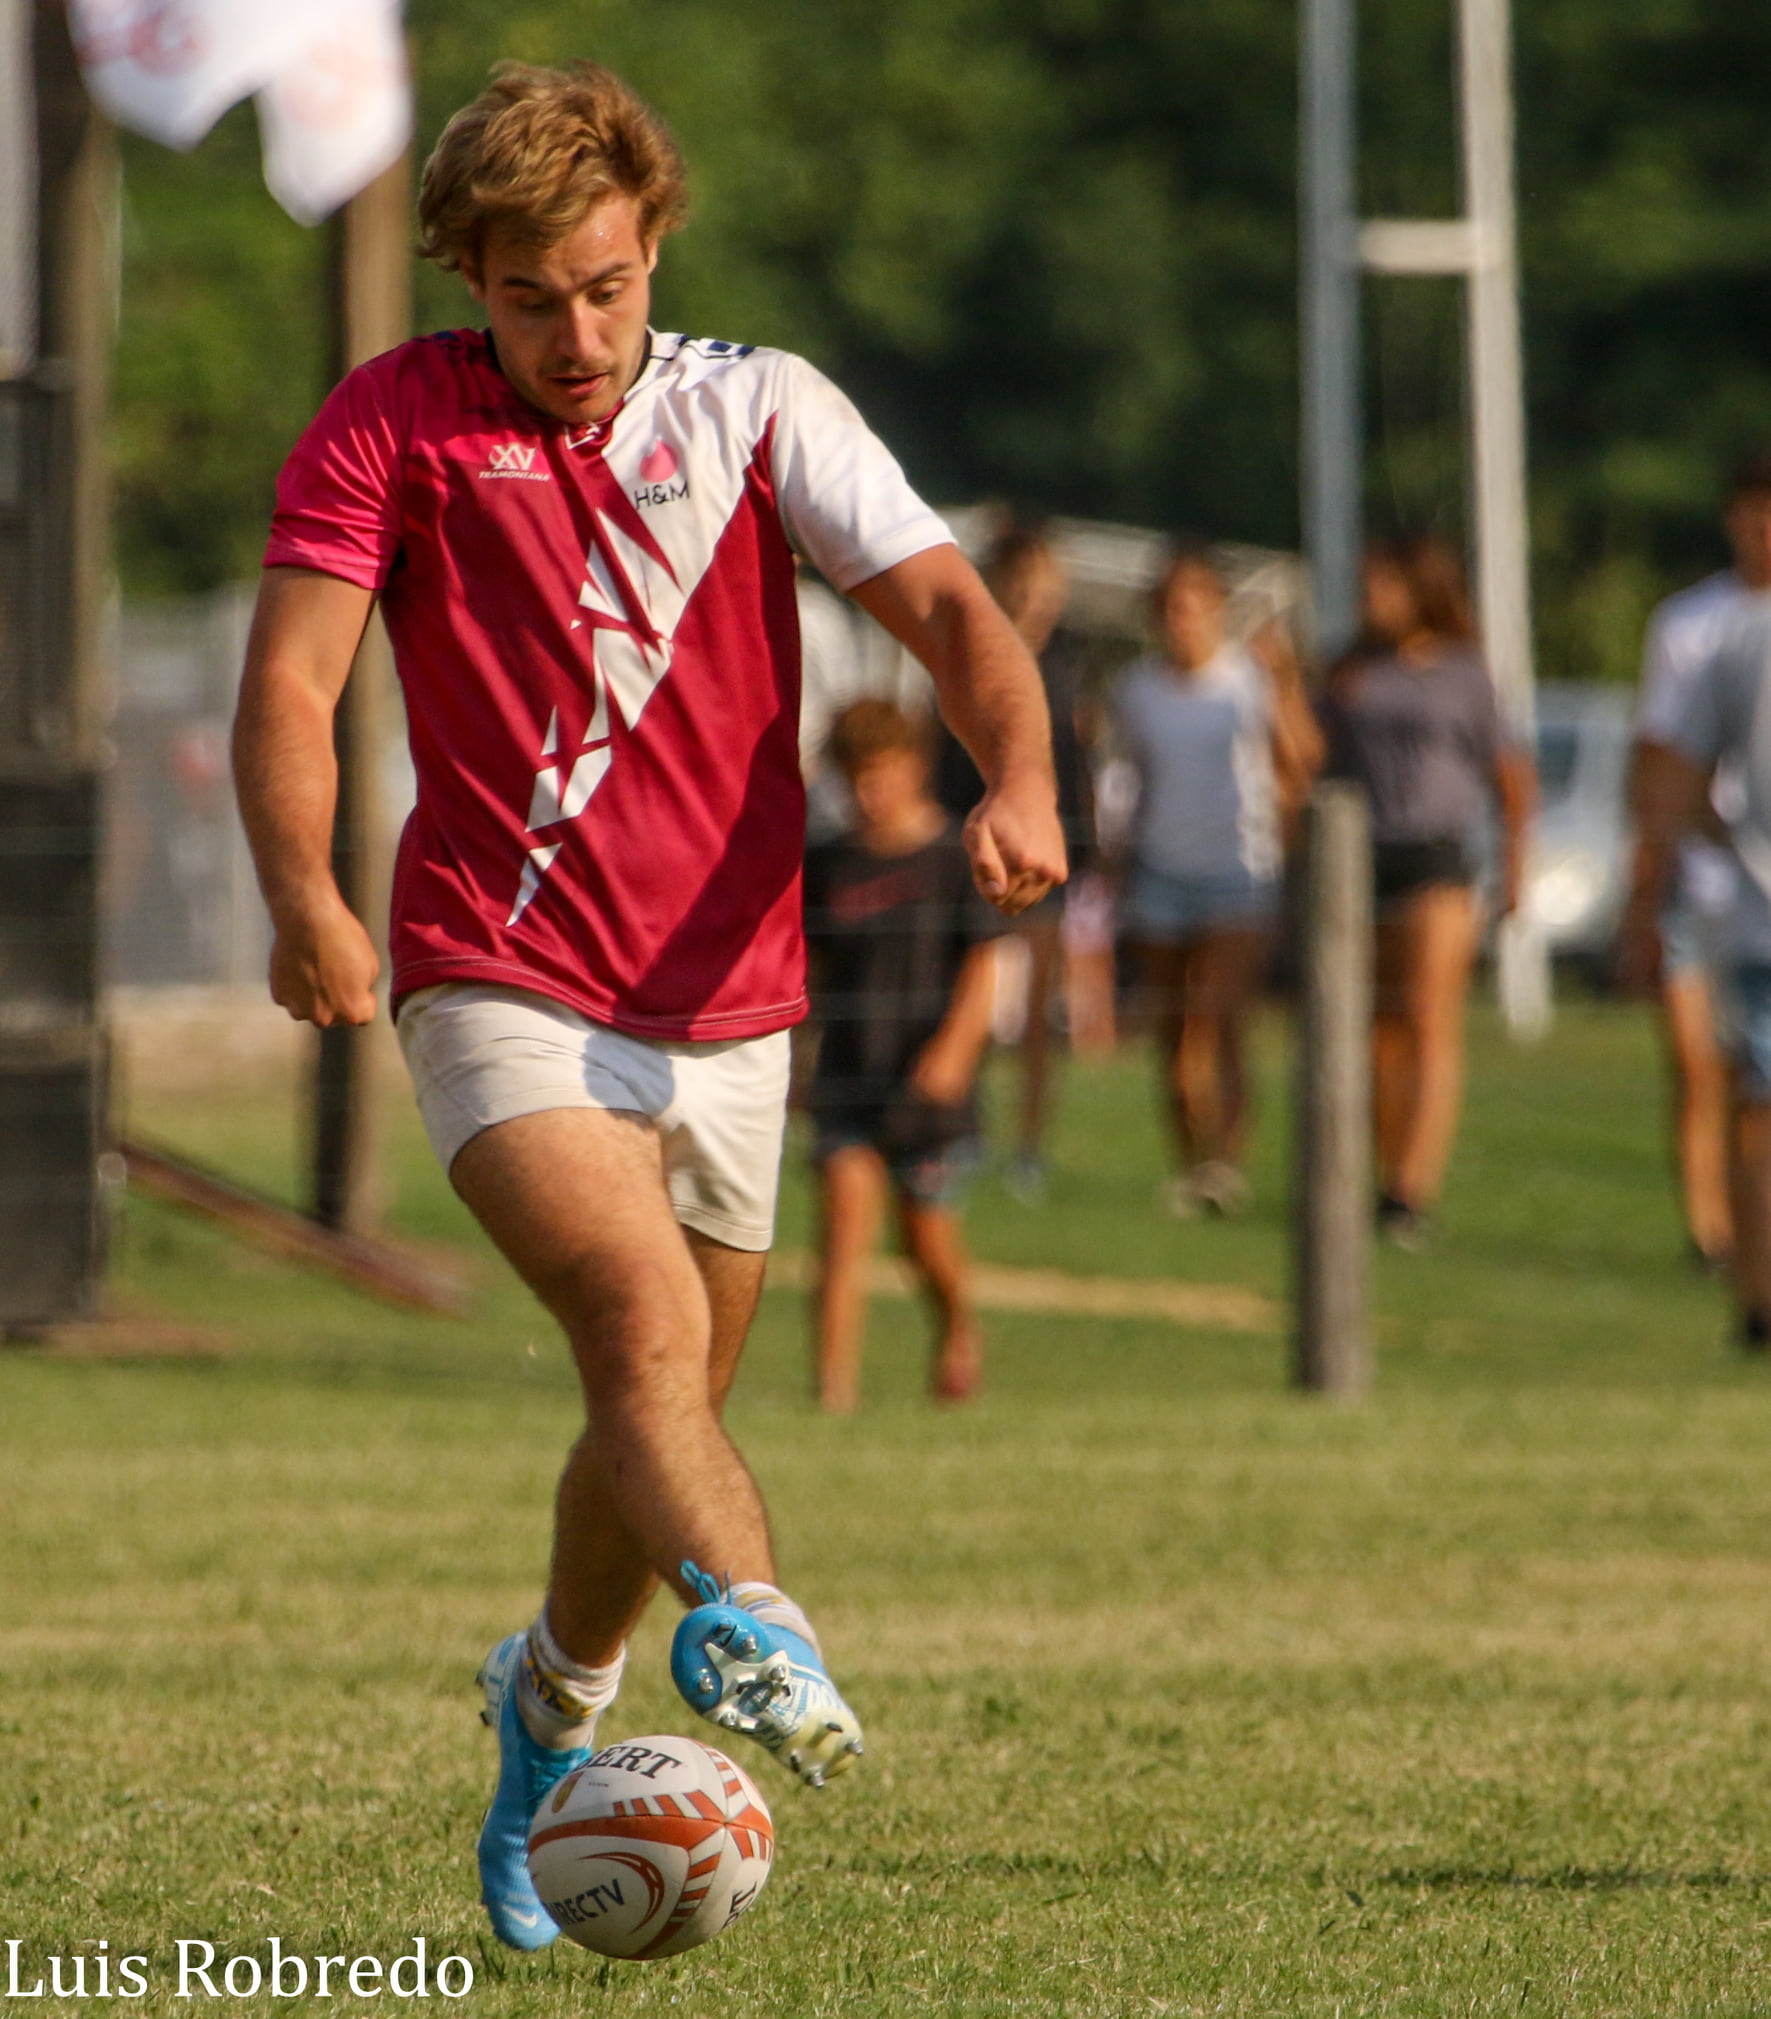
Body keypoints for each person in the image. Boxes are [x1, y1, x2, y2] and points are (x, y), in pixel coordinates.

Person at [230, 61, 1065, 1954]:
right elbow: (294, 687)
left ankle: (548, 1707)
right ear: (470, 279)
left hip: (732, 1001)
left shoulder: (758, 405)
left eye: (605, 286)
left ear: (654, 242)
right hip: (497, 970)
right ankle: (762, 1628)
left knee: (660, 1394)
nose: (576, 333)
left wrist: (1014, 774)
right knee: (635, 1313)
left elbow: (943, 607)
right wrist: (306, 896)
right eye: (532, 298)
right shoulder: (393, 426)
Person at [1320, 535, 1535, 1249]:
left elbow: (1508, 774)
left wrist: (1513, 864)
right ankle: (1379, 1175)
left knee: (1426, 1019)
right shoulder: (1351, 671)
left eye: (1380, 585)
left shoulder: (1463, 674)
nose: (1367, 601)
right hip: (1360, 854)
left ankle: (1414, 1184)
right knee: (1373, 1027)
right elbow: (1312, 760)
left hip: (1437, 856)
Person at [804, 700, 1006, 1411]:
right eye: (856, 777)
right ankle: (832, 1395)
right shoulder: (827, 863)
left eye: (881, 774)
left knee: (923, 1238)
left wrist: (952, 1054)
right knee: (843, 1223)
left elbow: (984, 967)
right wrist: (797, 1063)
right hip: (848, 1079)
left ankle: (956, 1325)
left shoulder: (950, 857)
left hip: (927, 1090)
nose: (869, 791)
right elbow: (808, 971)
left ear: (913, 769)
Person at [1112, 545, 1320, 1217]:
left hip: (1237, 870)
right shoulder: (1136, 691)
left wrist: (1284, 685)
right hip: (1159, 869)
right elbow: (1126, 784)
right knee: (1173, 1036)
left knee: (1219, 1017)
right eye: (1170, 607)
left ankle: (1226, 1161)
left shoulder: (1247, 682)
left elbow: (1303, 763)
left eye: (1195, 605)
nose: (1182, 620)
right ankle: (1191, 1161)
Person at [1622, 456, 1771, 1270]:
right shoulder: (1690, 623)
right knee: (1701, 1066)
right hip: (1704, 880)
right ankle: (1712, 1230)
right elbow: (1661, 757)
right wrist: (1648, 878)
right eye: (1749, 513)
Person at [934, 521, 1094, 1200]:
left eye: (1045, 585)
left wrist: (1083, 853)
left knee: (1035, 1016)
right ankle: (959, 1131)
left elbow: (1080, 769)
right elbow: (941, 762)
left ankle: (1028, 1146)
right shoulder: (965, 657)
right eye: (1023, 583)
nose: (1035, 597)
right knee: (963, 1003)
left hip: (1042, 861)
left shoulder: (1066, 670)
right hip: (968, 854)